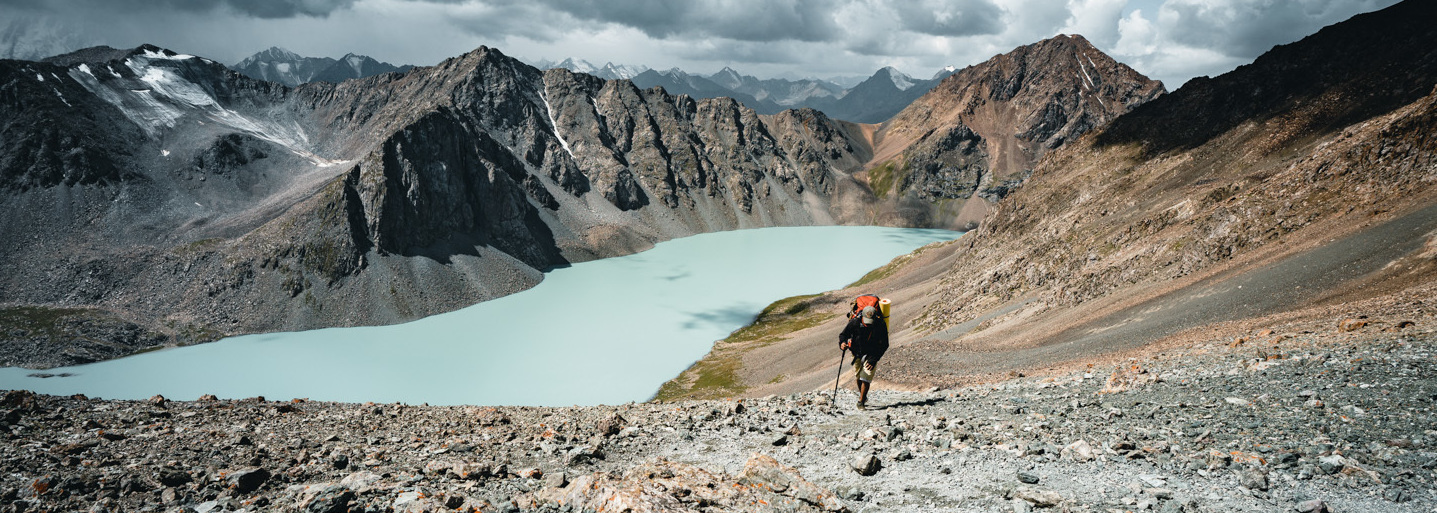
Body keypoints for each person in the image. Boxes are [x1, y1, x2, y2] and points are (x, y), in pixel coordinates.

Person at [839, 305, 888, 410]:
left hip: (872, 354)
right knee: (859, 377)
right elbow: (843, 335)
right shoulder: (854, 323)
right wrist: (842, 343)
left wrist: (874, 359)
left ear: (875, 318)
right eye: (866, 321)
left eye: (870, 321)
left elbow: (884, 344)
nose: (868, 324)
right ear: (862, 317)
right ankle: (863, 396)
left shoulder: (880, 325)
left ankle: (860, 402)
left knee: (865, 377)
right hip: (857, 353)